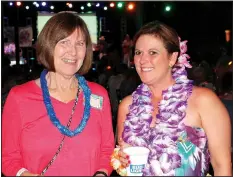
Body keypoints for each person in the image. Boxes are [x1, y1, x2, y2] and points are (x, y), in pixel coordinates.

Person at [111, 21, 232, 176]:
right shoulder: (127, 106)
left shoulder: (204, 101)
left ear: (172, 58)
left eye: (153, 52)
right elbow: (124, 165)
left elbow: (222, 167)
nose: (142, 60)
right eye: (138, 52)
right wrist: (122, 161)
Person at [2, 12, 114, 176]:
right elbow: (8, 158)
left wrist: (101, 173)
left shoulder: (99, 94)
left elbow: (107, 150)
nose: (73, 52)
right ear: (48, 45)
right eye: (64, 42)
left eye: (80, 43)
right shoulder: (19, 97)